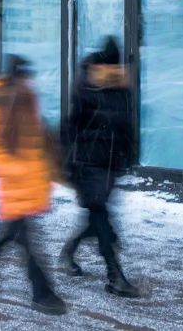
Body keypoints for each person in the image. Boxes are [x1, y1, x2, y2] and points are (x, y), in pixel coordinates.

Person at [0, 54, 66, 315]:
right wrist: (19, 172)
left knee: (12, 231)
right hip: (15, 184)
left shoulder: (27, 100)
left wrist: (46, 167)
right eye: (22, 77)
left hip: (30, 182)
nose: (26, 82)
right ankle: (42, 292)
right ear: (13, 77)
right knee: (28, 239)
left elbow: (35, 141)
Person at [60, 36, 139, 298]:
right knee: (101, 218)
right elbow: (71, 127)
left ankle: (69, 251)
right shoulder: (88, 88)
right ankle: (115, 276)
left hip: (109, 165)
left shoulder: (120, 89)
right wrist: (71, 164)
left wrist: (128, 155)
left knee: (98, 216)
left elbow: (126, 127)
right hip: (88, 165)